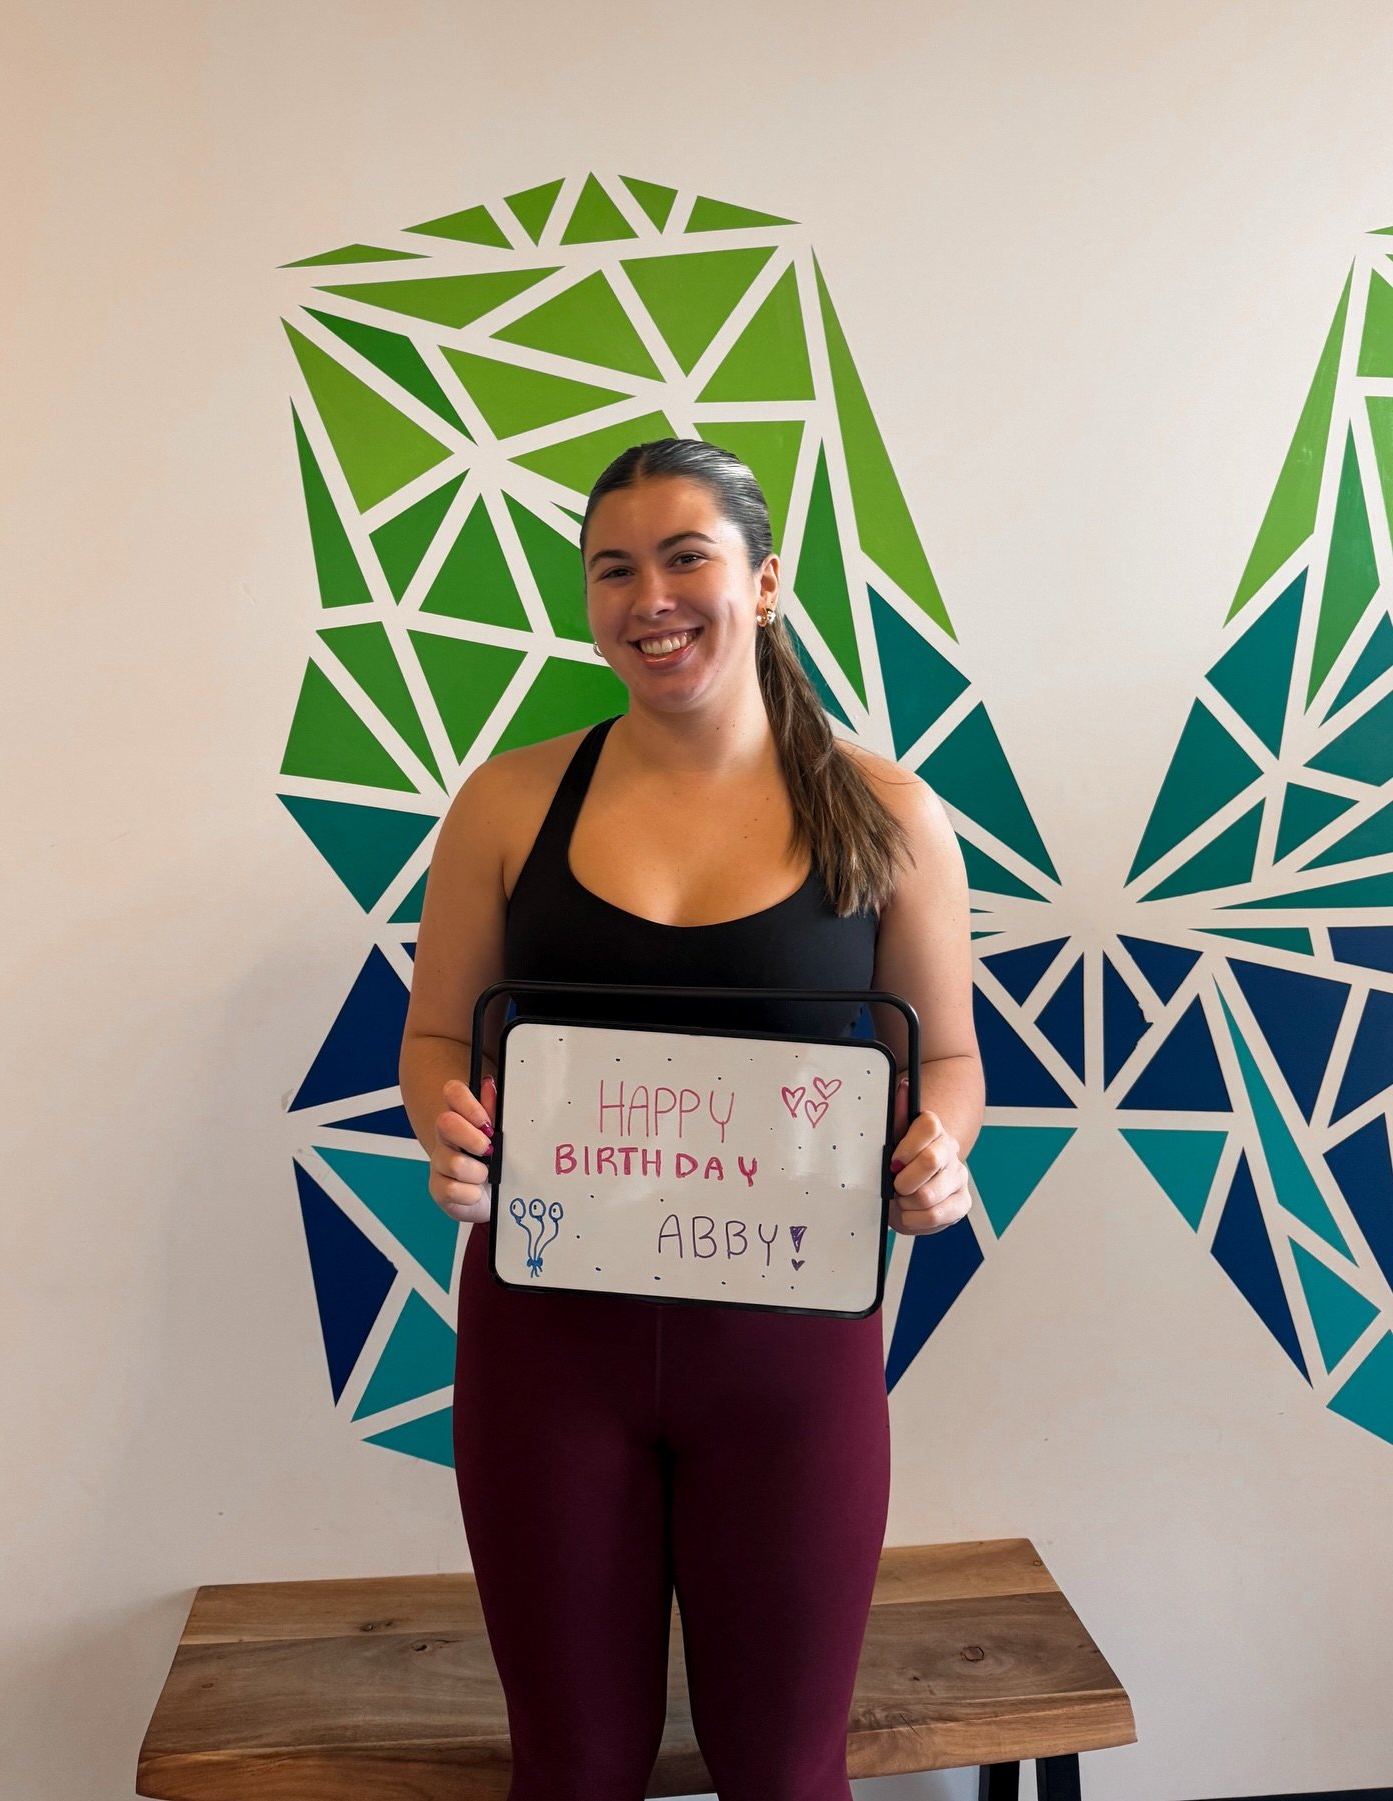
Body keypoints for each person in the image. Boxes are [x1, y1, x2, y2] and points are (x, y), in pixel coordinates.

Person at [398, 438, 984, 1800]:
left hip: (791, 1362)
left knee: (784, 1773)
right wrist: (449, 1124)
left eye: (684, 556)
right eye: (614, 567)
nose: (648, 595)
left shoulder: (888, 810)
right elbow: (437, 1036)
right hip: (548, 1355)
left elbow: (946, 1056)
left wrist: (940, 1152)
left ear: (764, 581)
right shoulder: (508, 798)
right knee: (572, 1770)